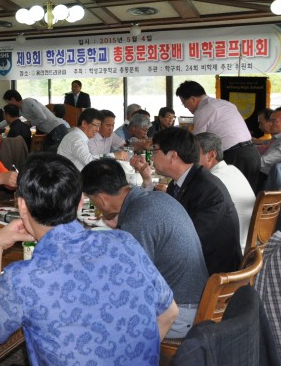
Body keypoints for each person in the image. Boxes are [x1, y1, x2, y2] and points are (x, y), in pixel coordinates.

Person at [0, 154, 178, 366]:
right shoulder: (125, 242)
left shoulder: (23, 279)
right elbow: (169, 313)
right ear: (80, 201)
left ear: (22, 205)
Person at [81, 159, 208, 339]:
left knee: (94, 321)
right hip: (194, 300)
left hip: (181, 313)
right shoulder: (156, 198)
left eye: (93, 201)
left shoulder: (138, 219)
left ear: (101, 198)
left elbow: (129, 285)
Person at [134, 127, 242, 275]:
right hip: (191, 259)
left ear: (173, 156)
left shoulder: (208, 190)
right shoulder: (179, 182)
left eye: (155, 151)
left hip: (211, 272)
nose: (151, 158)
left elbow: (189, 240)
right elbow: (164, 217)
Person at [176, 80, 261, 192]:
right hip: (252, 153)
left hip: (236, 156)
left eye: (184, 103)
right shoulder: (225, 104)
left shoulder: (203, 111)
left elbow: (196, 142)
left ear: (192, 99)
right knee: (248, 194)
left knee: (230, 193)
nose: (185, 107)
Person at [197, 132, 256, 252]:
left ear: (211, 155)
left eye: (193, 154)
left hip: (231, 250)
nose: (188, 158)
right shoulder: (233, 170)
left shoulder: (213, 180)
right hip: (249, 246)